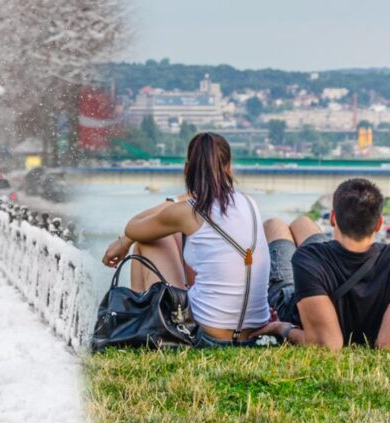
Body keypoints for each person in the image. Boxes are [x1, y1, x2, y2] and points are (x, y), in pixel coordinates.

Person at [102, 132, 271, 347]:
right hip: (253, 333)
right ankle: (142, 326)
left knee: (147, 242)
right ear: (229, 168)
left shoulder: (188, 211)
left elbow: (134, 227)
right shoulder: (250, 203)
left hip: (207, 335)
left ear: (186, 169)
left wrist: (182, 198)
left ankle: (140, 326)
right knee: (173, 235)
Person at [254, 178, 390, 349]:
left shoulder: (308, 257)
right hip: (319, 270)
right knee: (302, 222)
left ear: (333, 218)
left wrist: (281, 328)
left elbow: (326, 344)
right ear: (379, 223)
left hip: (296, 300)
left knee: (274, 224)